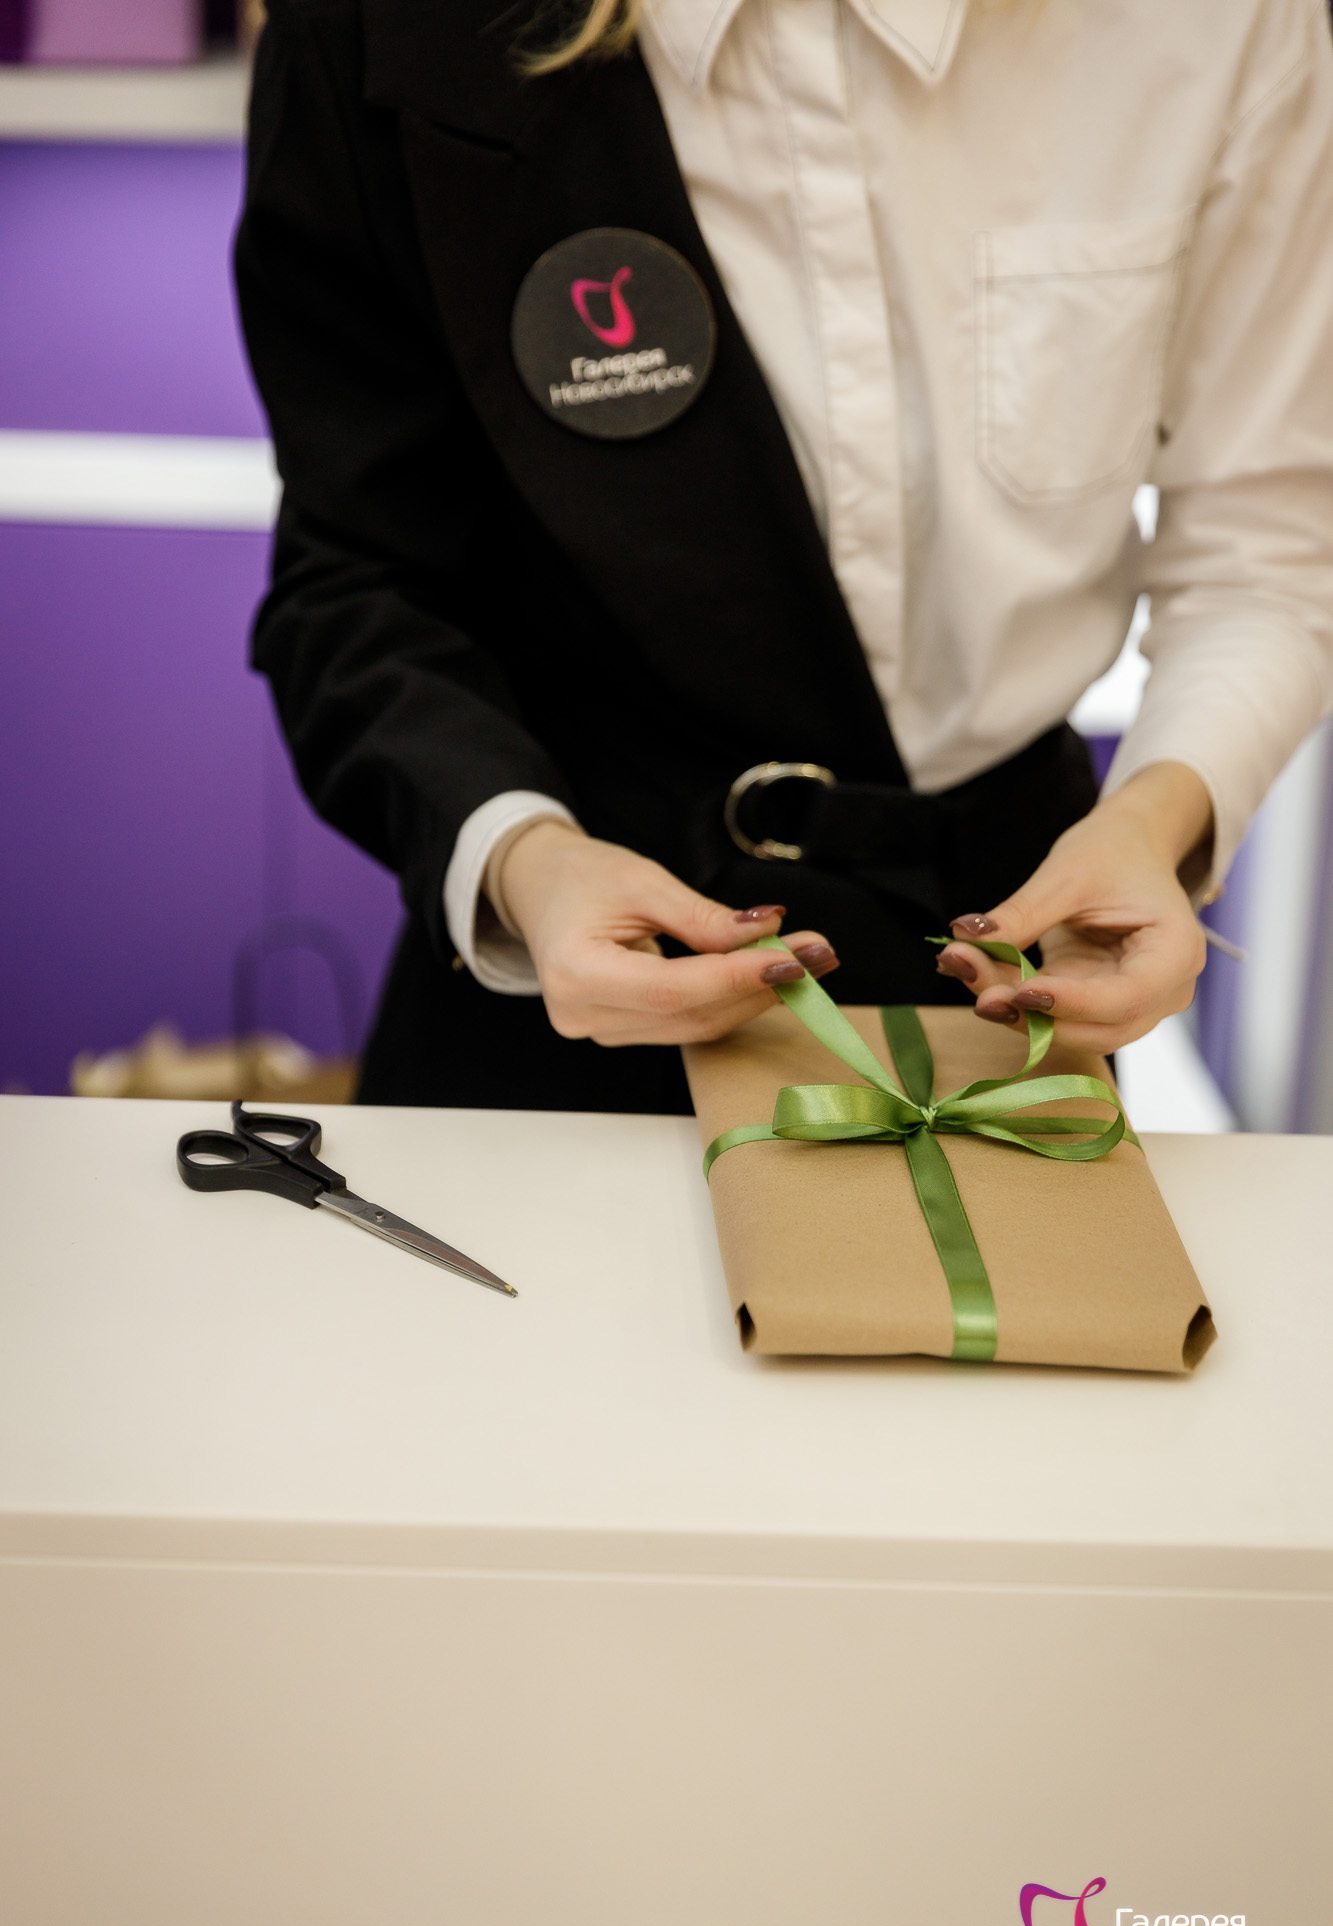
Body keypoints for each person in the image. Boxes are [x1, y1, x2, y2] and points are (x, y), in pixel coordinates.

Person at [235, 0, 1333, 1113]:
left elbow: (1267, 549)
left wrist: (1153, 822)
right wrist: (524, 858)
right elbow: (358, 584)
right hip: (571, 986)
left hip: (1010, 983)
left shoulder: (1218, 25)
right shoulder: (382, 31)